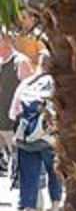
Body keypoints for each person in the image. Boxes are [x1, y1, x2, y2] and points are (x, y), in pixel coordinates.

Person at [10, 53, 61, 211]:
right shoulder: (58, 84)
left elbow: (13, 113)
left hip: (27, 140)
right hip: (50, 140)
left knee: (28, 180)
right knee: (55, 176)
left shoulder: (26, 84)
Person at [0, 32, 32, 175]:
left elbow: (30, 90)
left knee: (18, 157)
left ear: (6, 41)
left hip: (12, 121)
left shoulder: (20, 62)